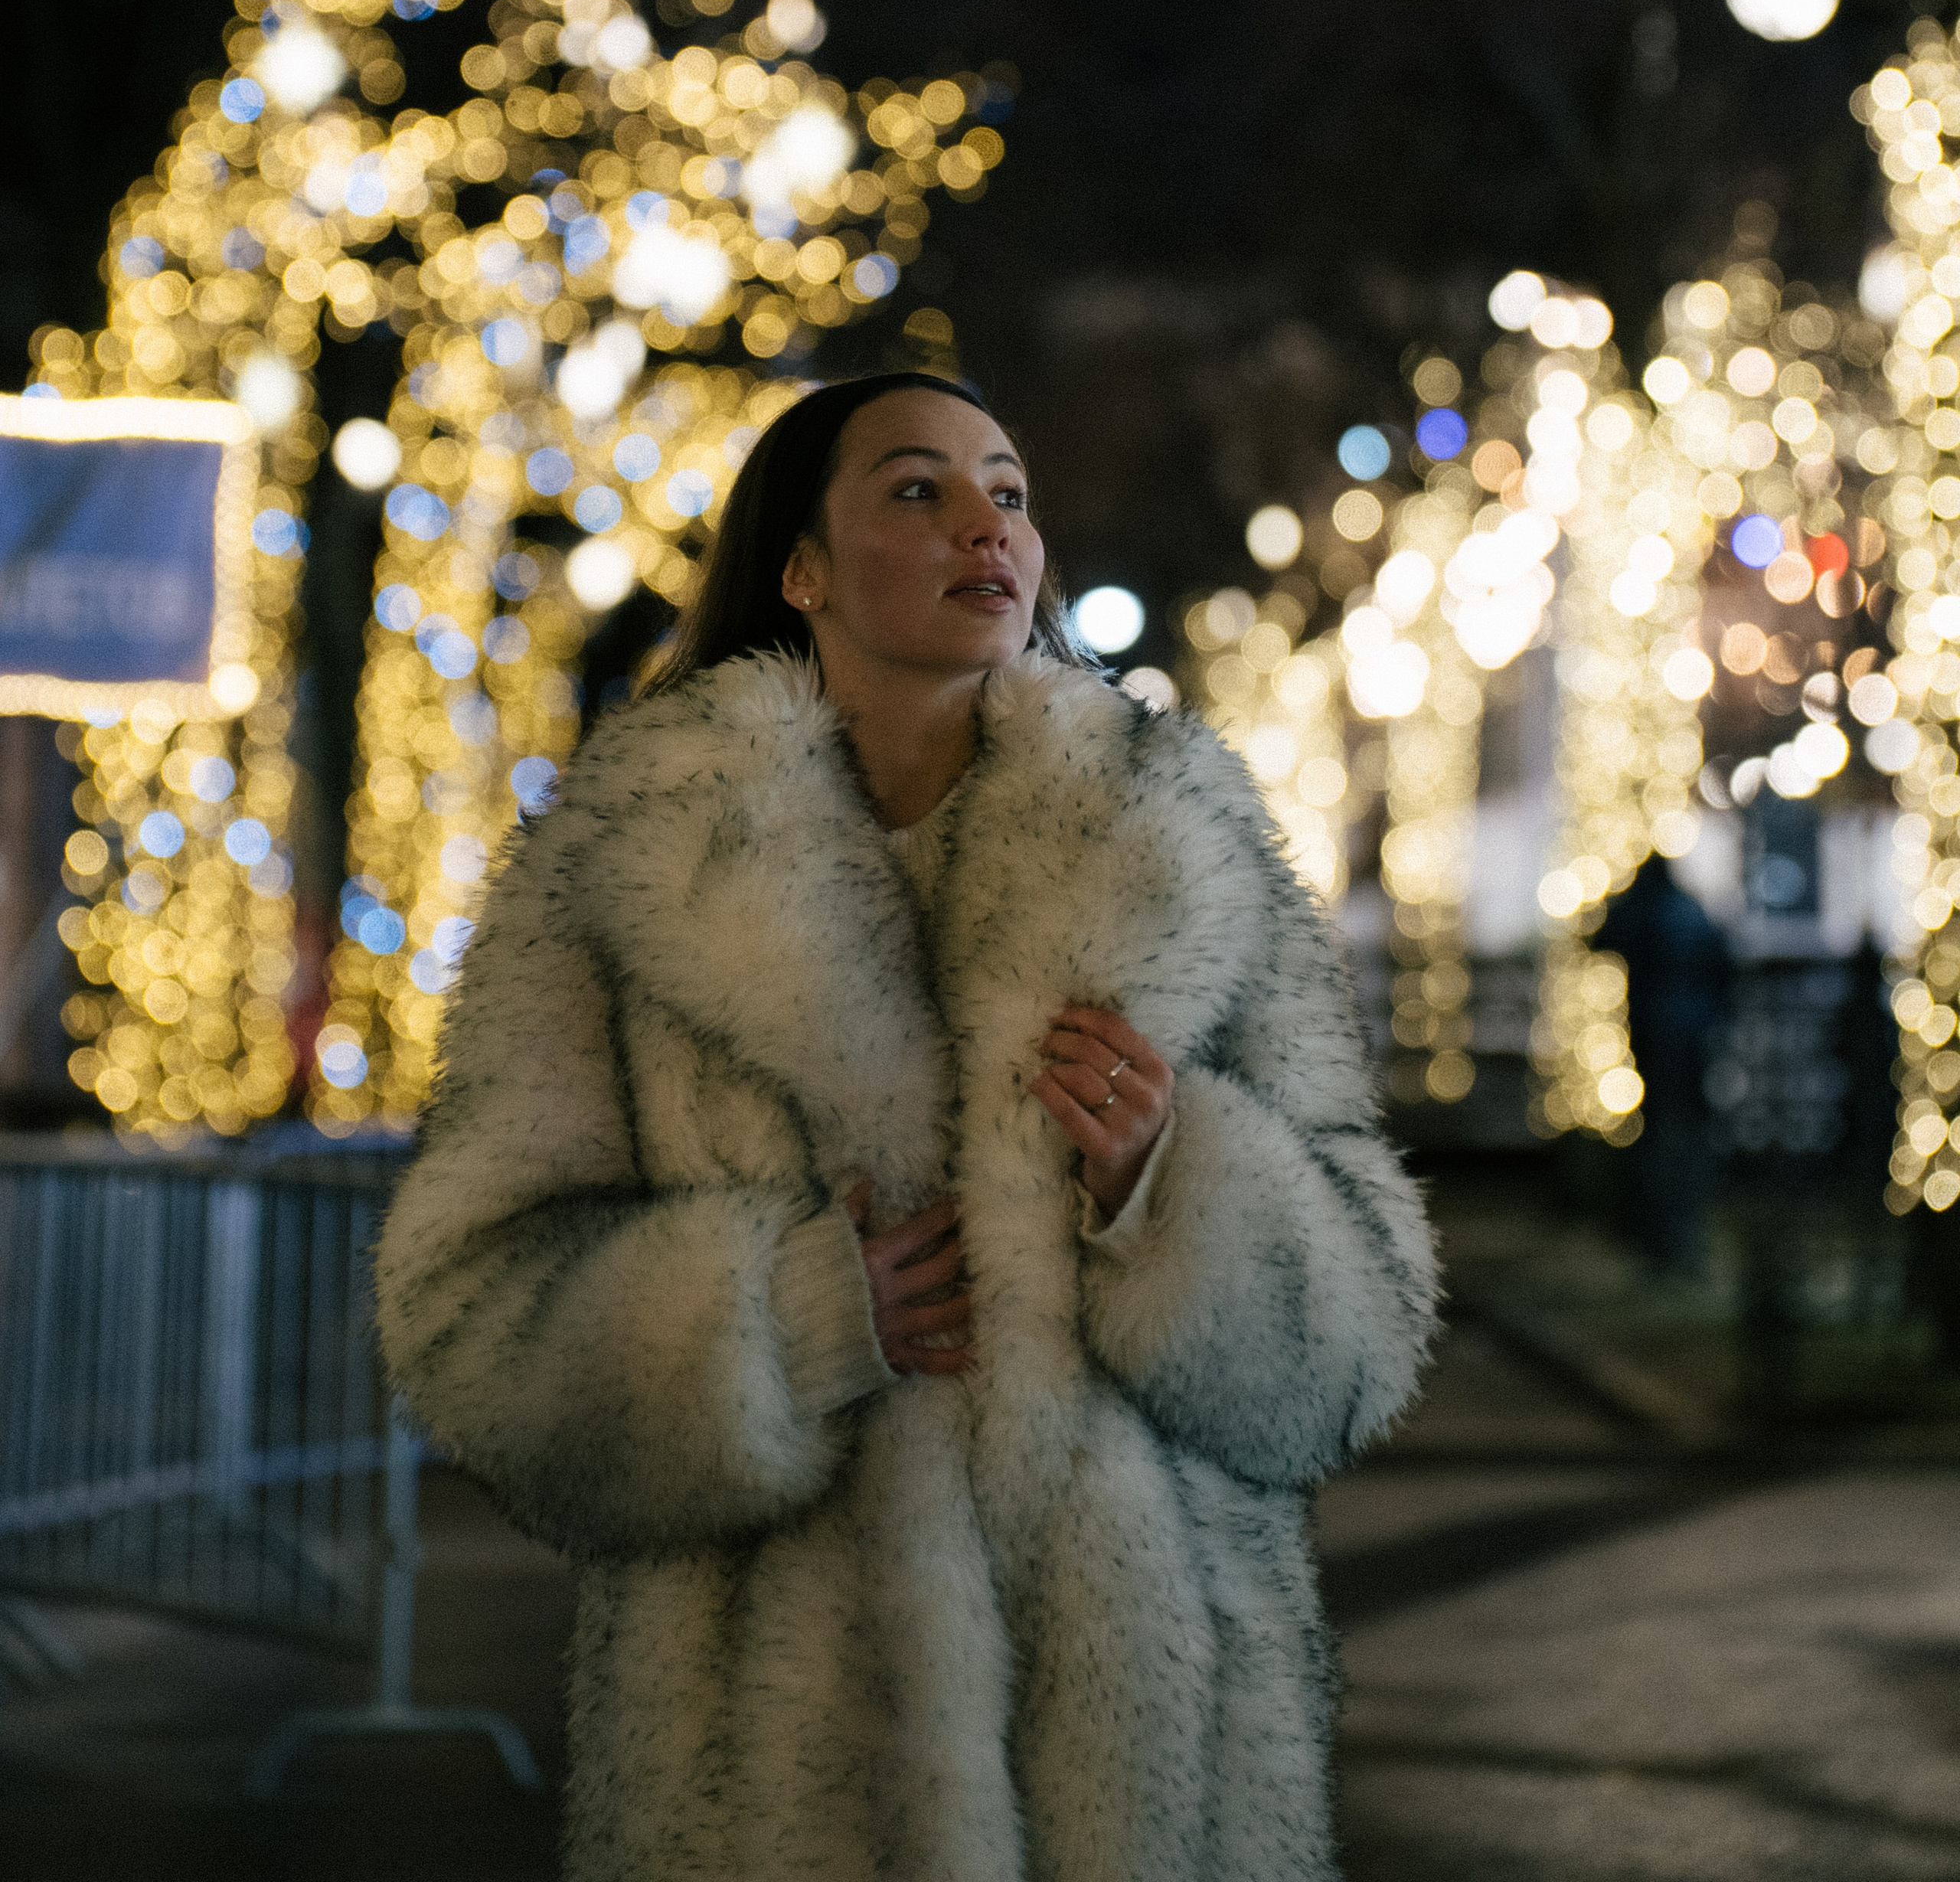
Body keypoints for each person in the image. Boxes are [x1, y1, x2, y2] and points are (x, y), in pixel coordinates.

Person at [376, 370, 1437, 1882]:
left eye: (1006, 492)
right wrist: (776, 1321)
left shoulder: (1185, 853)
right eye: (915, 489)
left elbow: (1360, 1337)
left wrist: (1166, 1182)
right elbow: (468, 1309)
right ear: (800, 566)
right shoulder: (622, 869)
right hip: (773, 1773)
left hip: (1151, 1768)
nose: (984, 527)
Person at [1599, 850, 1734, 1275]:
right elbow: (1723, 966)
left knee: (1660, 1134)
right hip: (1694, 1038)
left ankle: (1663, 1238)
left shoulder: (1642, 909)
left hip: (1657, 1039)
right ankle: (1681, 1236)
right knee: (1689, 1132)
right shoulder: (1693, 912)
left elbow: (1602, 939)